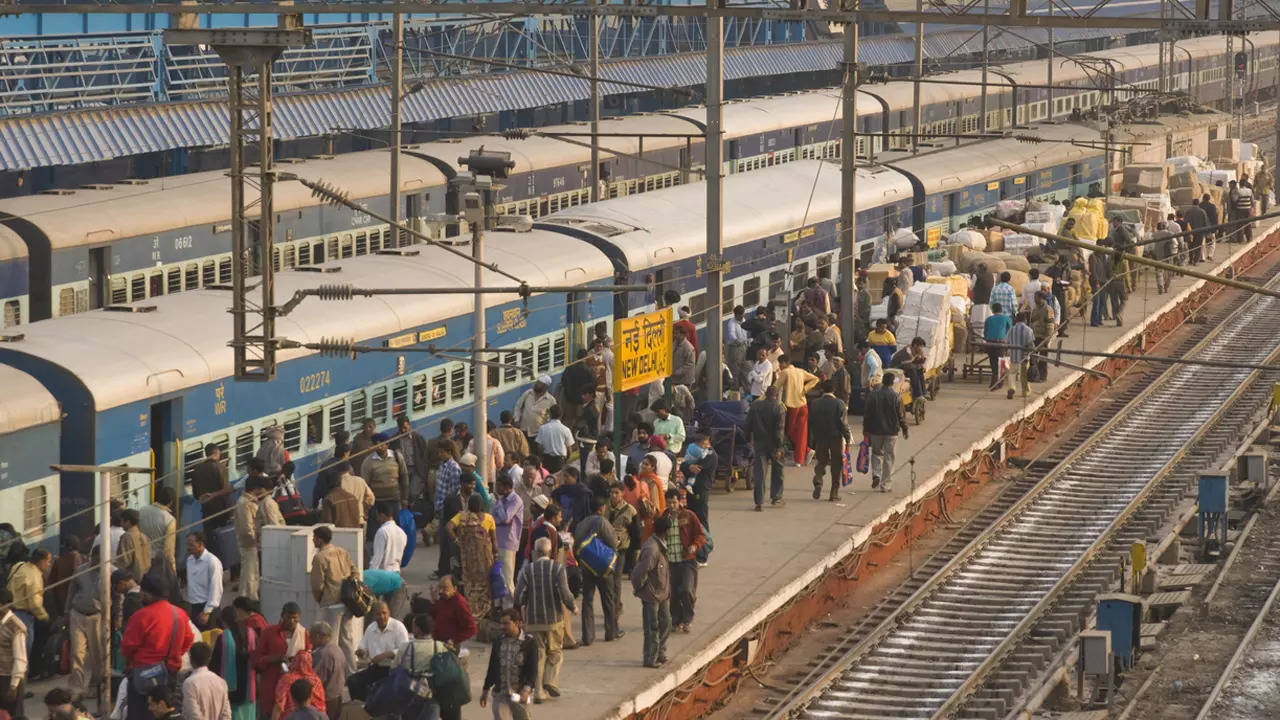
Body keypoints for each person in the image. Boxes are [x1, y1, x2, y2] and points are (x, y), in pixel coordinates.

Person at [121, 572, 195, 720]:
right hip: (170, 674)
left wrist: (130, 662)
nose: (140, 595)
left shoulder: (140, 616)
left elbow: (127, 648)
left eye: (142, 592)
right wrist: (174, 655)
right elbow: (188, 640)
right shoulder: (179, 614)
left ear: (148, 594)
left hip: (143, 676)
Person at [514, 537, 574, 702]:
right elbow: (564, 593)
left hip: (533, 621)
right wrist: (573, 606)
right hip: (554, 619)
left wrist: (523, 603)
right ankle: (550, 681)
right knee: (555, 652)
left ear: (534, 552)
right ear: (549, 551)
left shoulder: (527, 570)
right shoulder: (558, 568)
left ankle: (538, 692)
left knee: (538, 655)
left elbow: (518, 596)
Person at [307, 527, 358, 671]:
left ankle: (334, 675)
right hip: (348, 602)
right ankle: (351, 673)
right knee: (347, 640)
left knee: (330, 643)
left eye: (314, 538)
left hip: (331, 603)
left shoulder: (320, 557)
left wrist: (321, 600)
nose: (313, 540)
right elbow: (355, 571)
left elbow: (317, 585)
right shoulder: (342, 551)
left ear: (320, 539)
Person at [574, 495, 620, 645]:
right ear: (601, 508)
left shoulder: (581, 523)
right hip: (602, 567)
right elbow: (613, 543)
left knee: (587, 600)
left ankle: (587, 636)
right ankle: (611, 632)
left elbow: (577, 545)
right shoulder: (602, 522)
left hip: (587, 567)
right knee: (608, 599)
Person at [251, 602, 309, 717]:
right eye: (288, 617)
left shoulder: (303, 634)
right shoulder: (269, 632)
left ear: (299, 618)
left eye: (295, 618)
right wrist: (273, 659)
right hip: (272, 683)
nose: (291, 621)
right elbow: (256, 659)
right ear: (282, 615)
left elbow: (309, 660)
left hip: (295, 687)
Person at [480, 610, 539, 720]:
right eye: (501, 623)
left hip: (519, 693)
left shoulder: (529, 643)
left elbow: (533, 670)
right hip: (500, 692)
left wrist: (526, 690)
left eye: (506, 623)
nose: (502, 626)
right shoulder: (498, 641)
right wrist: (485, 690)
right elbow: (492, 667)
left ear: (517, 623)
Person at [448, 493, 497, 623]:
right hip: (484, 560)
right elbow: (493, 540)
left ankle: (471, 612)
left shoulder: (461, 516)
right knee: (485, 586)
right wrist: (496, 554)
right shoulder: (488, 518)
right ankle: (483, 612)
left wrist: (458, 541)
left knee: (470, 585)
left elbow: (449, 527)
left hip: (467, 559)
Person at [631, 512, 671, 668]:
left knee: (666, 623)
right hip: (652, 595)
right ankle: (650, 658)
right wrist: (641, 589)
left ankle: (660, 652)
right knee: (652, 628)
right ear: (665, 531)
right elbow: (639, 573)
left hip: (663, 593)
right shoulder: (652, 549)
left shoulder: (661, 546)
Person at [663, 488, 706, 634]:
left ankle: (687, 619)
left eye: (674, 502)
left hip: (687, 560)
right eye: (669, 503)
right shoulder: (664, 518)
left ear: (679, 501)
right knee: (673, 594)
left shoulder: (689, 515)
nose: (672, 506)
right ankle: (676, 620)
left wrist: (695, 545)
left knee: (687, 590)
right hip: (671, 562)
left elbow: (700, 535)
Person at [64, 546, 103, 702]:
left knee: (98, 655)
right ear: (91, 557)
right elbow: (71, 592)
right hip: (78, 614)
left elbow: (117, 596)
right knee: (77, 653)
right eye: (96, 559)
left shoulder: (109, 572)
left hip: (98, 616)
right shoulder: (80, 570)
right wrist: (67, 612)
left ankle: (95, 687)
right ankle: (76, 688)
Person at [349, 602, 407, 701]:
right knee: (352, 681)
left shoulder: (398, 627)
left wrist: (387, 654)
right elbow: (363, 648)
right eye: (378, 614)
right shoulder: (371, 628)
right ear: (374, 615)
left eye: (384, 613)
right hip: (376, 668)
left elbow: (405, 649)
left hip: (394, 669)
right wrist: (361, 652)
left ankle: (377, 703)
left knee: (387, 690)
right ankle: (370, 703)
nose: (381, 616)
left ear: (389, 613)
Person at [863, 373, 908, 493]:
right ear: (892, 382)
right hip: (891, 432)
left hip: (875, 431)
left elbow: (867, 414)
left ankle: (876, 474)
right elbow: (900, 416)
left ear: (883, 381)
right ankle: (885, 485)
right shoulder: (896, 396)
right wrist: (905, 429)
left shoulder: (873, 395)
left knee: (876, 453)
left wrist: (865, 429)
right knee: (889, 457)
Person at [210, 606, 257, 720]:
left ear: (224, 621)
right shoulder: (252, 634)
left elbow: (215, 664)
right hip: (248, 687)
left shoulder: (223, 637)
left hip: (230, 690)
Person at [808, 380, 851, 502]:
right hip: (835, 437)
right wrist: (847, 437)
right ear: (834, 390)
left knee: (821, 461)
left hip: (820, 437)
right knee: (836, 464)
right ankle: (834, 492)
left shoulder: (815, 403)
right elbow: (843, 424)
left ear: (822, 389)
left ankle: (818, 479)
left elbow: (811, 422)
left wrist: (812, 439)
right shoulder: (839, 403)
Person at [746, 385, 786, 511]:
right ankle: (776, 497)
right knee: (778, 471)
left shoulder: (755, 406)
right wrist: (779, 447)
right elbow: (779, 430)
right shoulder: (779, 408)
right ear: (776, 395)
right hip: (774, 444)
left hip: (760, 443)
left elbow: (748, 424)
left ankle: (759, 502)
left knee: (760, 473)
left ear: (766, 394)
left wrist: (748, 440)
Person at [6, 547, 47, 669]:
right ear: (41, 561)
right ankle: (20, 684)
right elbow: (34, 603)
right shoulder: (34, 575)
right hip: (24, 616)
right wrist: (44, 617)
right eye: (48, 561)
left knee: (11, 651)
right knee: (23, 653)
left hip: (9, 612)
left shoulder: (19, 565)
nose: (49, 564)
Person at [775, 355, 819, 466]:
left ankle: (806, 451)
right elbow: (815, 379)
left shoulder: (785, 373)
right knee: (802, 433)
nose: (779, 366)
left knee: (790, 432)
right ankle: (800, 458)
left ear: (785, 363)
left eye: (780, 363)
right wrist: (805, 389)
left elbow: (775, 387)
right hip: (803, 404)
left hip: (791, 405)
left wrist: (762, 399)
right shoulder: (800, 371)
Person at [492, 474, 524, 603]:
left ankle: (511, 610)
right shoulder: (500, 500)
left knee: (507, 579)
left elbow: (505, 518)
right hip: (497, 541)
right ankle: (502, 608)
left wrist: (499, 503)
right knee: (499, 578)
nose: (496, 488)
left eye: (498, 485)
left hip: (508, 543)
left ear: (506, 487)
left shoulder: (515, 500)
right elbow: (493, 518)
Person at [183, 641, 232, 720]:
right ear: (209, 659)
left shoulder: (189, 683)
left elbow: (193, 714)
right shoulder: (221, 682)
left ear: (191, 659)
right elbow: (226, 714)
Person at [360, 434, 409, 510]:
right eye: (377, 445)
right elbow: (365, 484)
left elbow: (404, 476)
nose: (379, 447)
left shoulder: (397, 456)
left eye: (382, 444)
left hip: (395, 499)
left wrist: (405, 498)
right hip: (377, 502)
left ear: (387, 444)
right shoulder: (368, 462)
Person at [185, 531, 224, 630]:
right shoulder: (189, 560)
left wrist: (207, 612)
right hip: (194, 607)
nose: (188, 548)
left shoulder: (212, 562)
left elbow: (216, 589)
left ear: (200, 544)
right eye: (187, 544)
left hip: (208, 609)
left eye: (191, 545)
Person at [234, 478, 265, 601]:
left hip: (250, 543)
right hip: (248, 544)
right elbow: (246, 527)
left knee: (249, 572)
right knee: (250, 574)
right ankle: (250, 599)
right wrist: (255, 540)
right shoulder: (244, 503)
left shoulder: (249, 501)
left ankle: (246, 598)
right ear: (255, 489)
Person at [192, 443, 234, 533]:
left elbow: (196, 495)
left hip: (206, 511)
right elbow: (226, 490)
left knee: (209, 539)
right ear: (217, 452)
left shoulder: (197, 469)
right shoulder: (220, 467)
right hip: (222, 511)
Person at [271, 650, 324, 720]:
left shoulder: (287, 679)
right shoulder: (316, 680)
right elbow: (321, 705)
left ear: (295, 661)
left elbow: (279, 706)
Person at [307, 623, 344, 720]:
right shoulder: (337, 648)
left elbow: (316, 681)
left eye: (311, 636)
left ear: (318, 636)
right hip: (338, 696)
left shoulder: (323, 654)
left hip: (328, 699)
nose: (309, 640)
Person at [429, 576, 477, 648]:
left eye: (445, 588)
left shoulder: (459, 603)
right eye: (440, 587)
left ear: (455, 588)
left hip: (449, 646)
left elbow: (472, 629)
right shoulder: (443, 598)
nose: (441, 591)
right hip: (437, 642)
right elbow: (434, 616)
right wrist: (433, 601)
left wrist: (454, 640)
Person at [0, 589, 26, 717]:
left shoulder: (16, 627)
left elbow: (20, 659)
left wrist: (13, 686)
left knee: (11, 714)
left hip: (9, 677)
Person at [395, 414, 431, 501]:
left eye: (405, 428)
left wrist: (424, 472)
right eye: (401, 428)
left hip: (416, 469)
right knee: (403, 493)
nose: (403, 431)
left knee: (413, 492)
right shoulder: (395, 439)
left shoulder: (418, 438)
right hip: (402, 470)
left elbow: (425, 455)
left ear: (409, 426)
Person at [535, 405, 575, 474]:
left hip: (547, 460)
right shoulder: (566, 429)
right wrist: (565, 460)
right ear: (561, 415)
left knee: (547, 480)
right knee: (558, 481)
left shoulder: (543, 428)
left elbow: (539, 447)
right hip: (560, 461)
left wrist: (542, 457)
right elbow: (569, 450)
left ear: (550, 414)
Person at [116, 508, 153, 582]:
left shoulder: (127, 537)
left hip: (133, 580)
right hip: (147, 577)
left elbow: (124, 562)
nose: (120, 524)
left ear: (128, 522)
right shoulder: (144, 536)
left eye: (122, 521)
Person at [370, 502, 408, 573]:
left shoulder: (382, 532)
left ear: (382, 515)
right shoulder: (402, 533)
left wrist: (370, 575)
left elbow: (377, 558)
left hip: (383, 574)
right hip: (396, 573)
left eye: (377, 515)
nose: (377, 518)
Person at [1006, 311, 1036, 400]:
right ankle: (1025, 391)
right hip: (1024, 357)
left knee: (1011, 373)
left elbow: (1006, 341)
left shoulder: (1012, 329)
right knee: (1024, 375)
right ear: (1025, 320)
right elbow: (1031, 344)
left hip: (1013, 356)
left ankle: (1011, 388)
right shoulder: (1028, 330)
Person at [1043, 254, 1072, 337]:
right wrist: (1066, 283)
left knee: (1061, 312)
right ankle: (1057, 330)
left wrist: (1067, 283)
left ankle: (1060, 330)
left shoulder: (1062, 269)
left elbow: (1067, 279)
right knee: (1057, 311)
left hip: (1060, 292)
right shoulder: (1055, 269)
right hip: (1056, 292)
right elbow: (1054, 280)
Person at [1028, 293, 1054, 383]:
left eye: (1036, 298)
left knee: (1043, 358)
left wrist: (1048, 337)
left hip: (1043, 336)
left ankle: (1042, 376)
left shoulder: (1048, 309)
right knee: (1033, 357)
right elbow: (1031, 322)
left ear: (1042, 298)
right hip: (1035, 336)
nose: (1035, 299)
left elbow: (1050, 325)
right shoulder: (1034, 309)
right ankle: (1034, 375)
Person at [671, 325, 697, 389]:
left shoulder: (689, 348)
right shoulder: (674, 344)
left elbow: (690, 364)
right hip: (675, 379)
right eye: (674, 333)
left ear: (683, 334)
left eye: (677, 333)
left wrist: (676, 372)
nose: (675, 335)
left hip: (685, 381)